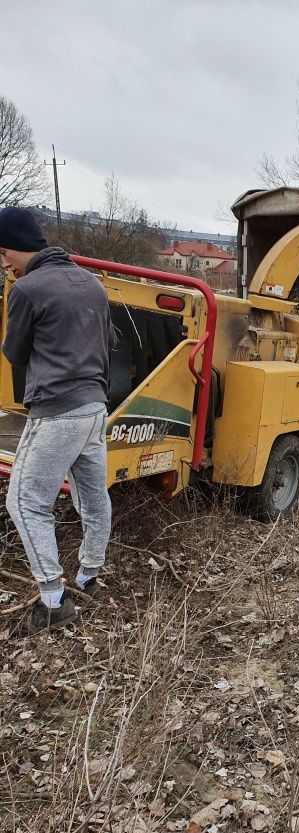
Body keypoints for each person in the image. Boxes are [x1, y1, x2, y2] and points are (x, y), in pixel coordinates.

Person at [0, 207, 115, 633]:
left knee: (25, 502)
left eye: (3, 253)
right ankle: (89, 577)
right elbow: (110, 341)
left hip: (57, 410)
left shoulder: (27, 289)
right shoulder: (92, 284)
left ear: (12, 247)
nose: (3, 262)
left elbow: (13, 353)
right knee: (92, 497)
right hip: (94, 409)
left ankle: (53, 602)